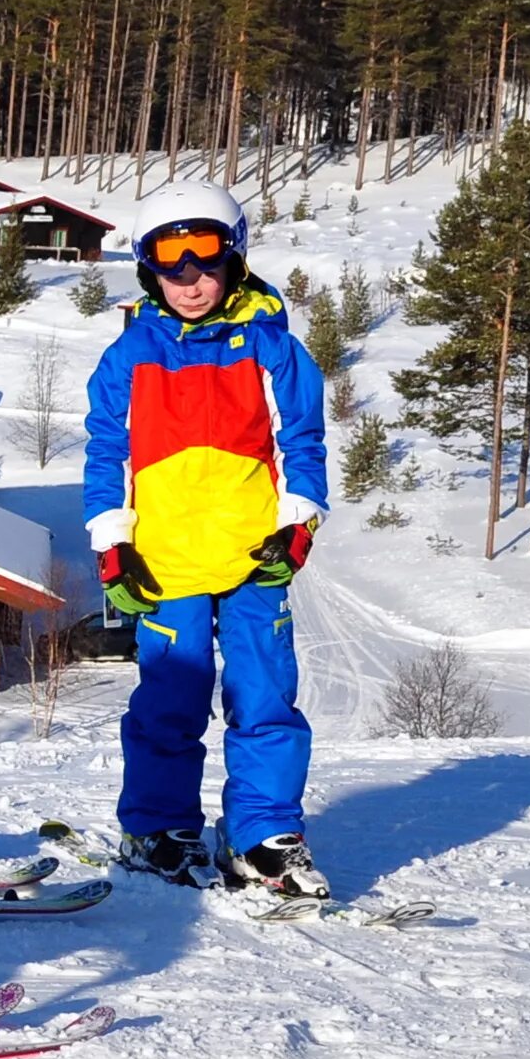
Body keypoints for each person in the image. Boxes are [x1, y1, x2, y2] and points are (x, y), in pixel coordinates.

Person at [82, 182, 329, 899]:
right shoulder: (129, 356)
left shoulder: (272, 347)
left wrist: (297, 525)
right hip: (166, 562)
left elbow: (302, 440)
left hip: (254, 558)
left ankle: (263, 837)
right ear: (147, 268)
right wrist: (111, 541)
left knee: (265, 697)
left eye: (205, 257)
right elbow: (108, 454)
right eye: (170, 261)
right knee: (170, 699)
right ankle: (159, 829)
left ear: (235, 256)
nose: (189, 278)